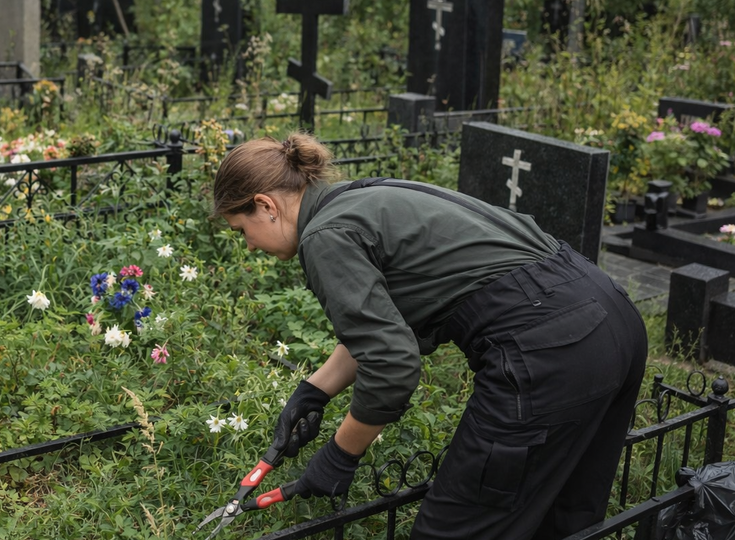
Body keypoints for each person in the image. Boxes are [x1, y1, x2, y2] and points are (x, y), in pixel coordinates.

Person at [212, 132, 647, 539]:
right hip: (611, 317)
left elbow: (392, 364)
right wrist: (313, 392)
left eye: (241, 230)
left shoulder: (324, 236)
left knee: (451, 528)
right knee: (562, 519)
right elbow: (383, 326)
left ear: (266, 205)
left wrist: (340, 456)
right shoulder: (363, 197)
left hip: (551, 347)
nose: (249, 245)